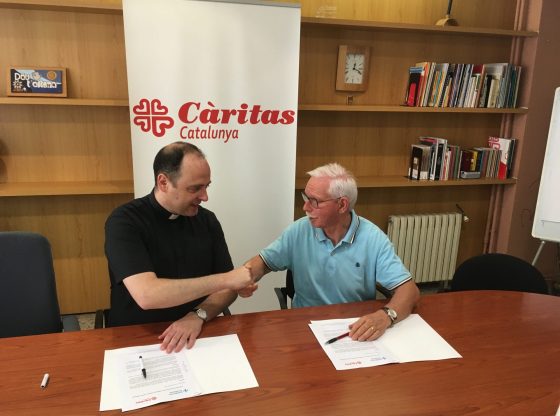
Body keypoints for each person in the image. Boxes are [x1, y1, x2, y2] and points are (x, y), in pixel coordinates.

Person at [241, 163, 420, 342]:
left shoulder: (373, 238)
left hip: (354, 330)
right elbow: (263, 262)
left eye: (314, 201)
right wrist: (245, 276)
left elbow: (409, 291)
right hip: (305, 325)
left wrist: (385, 316)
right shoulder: (299, 231)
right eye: (306, 197)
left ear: (342, 205)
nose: (305, 207)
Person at [105, 142, 252, 353]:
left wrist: (197, 315)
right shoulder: (125, 221)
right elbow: (147, 295)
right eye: (194, 188)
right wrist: (227, 279)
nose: (205, 197)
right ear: (163, 182)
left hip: (198, 333)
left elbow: (228, 290)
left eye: (206, 186)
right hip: (137, 337)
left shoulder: (207, 221)